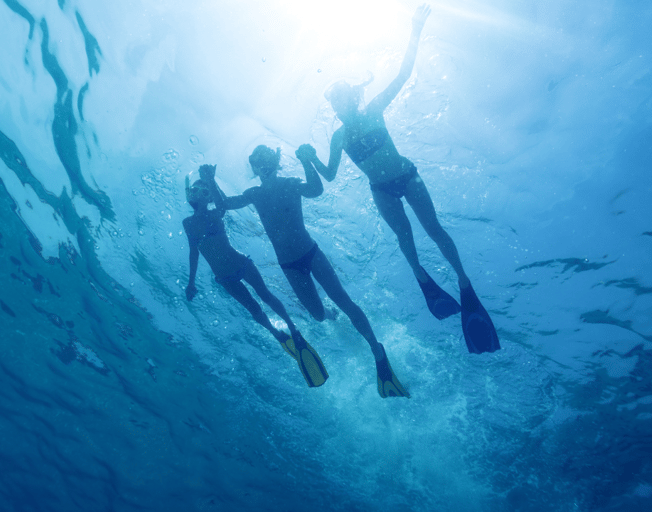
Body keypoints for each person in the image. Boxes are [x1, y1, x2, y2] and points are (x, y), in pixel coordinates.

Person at [295, 4, 500, 354]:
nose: (336, 105)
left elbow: (404, 73)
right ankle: (422, 278)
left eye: (340, 97)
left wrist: (415, 29)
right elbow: (328, 177)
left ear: (353, 96)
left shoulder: (374, 109)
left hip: (407, 175)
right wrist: (310, 159)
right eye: (332, 101)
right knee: (406, 239)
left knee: (433, 229)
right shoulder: (338, 137)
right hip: (382, 190)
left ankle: (464, 282)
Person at [222, 146, 409, 398]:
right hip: (289, 265)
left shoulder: (291, 182)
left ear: (275, 161)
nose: (263, 164)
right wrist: (211, 181)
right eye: (257, 161)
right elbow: (225, 204)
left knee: (342, 299)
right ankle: (330, 315)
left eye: (266, 159)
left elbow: (316, 190)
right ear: (254, 167)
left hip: (310, 253)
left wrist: (306, 161)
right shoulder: (254, 193)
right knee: (318, 315)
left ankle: (377, 351)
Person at [183, 164, 328, 387]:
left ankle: (292, 328)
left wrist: (210, 179)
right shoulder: (188, 224)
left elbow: (224, 206)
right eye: (197, 189)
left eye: (205, 191)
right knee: (253, 309)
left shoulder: (216, 213)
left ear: (209, 196)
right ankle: (276, 334)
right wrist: (191, 282)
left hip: (241, 262)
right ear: (190, 194)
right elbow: (194, 253)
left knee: (265, 295)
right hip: (223, 277)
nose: (201, 193)